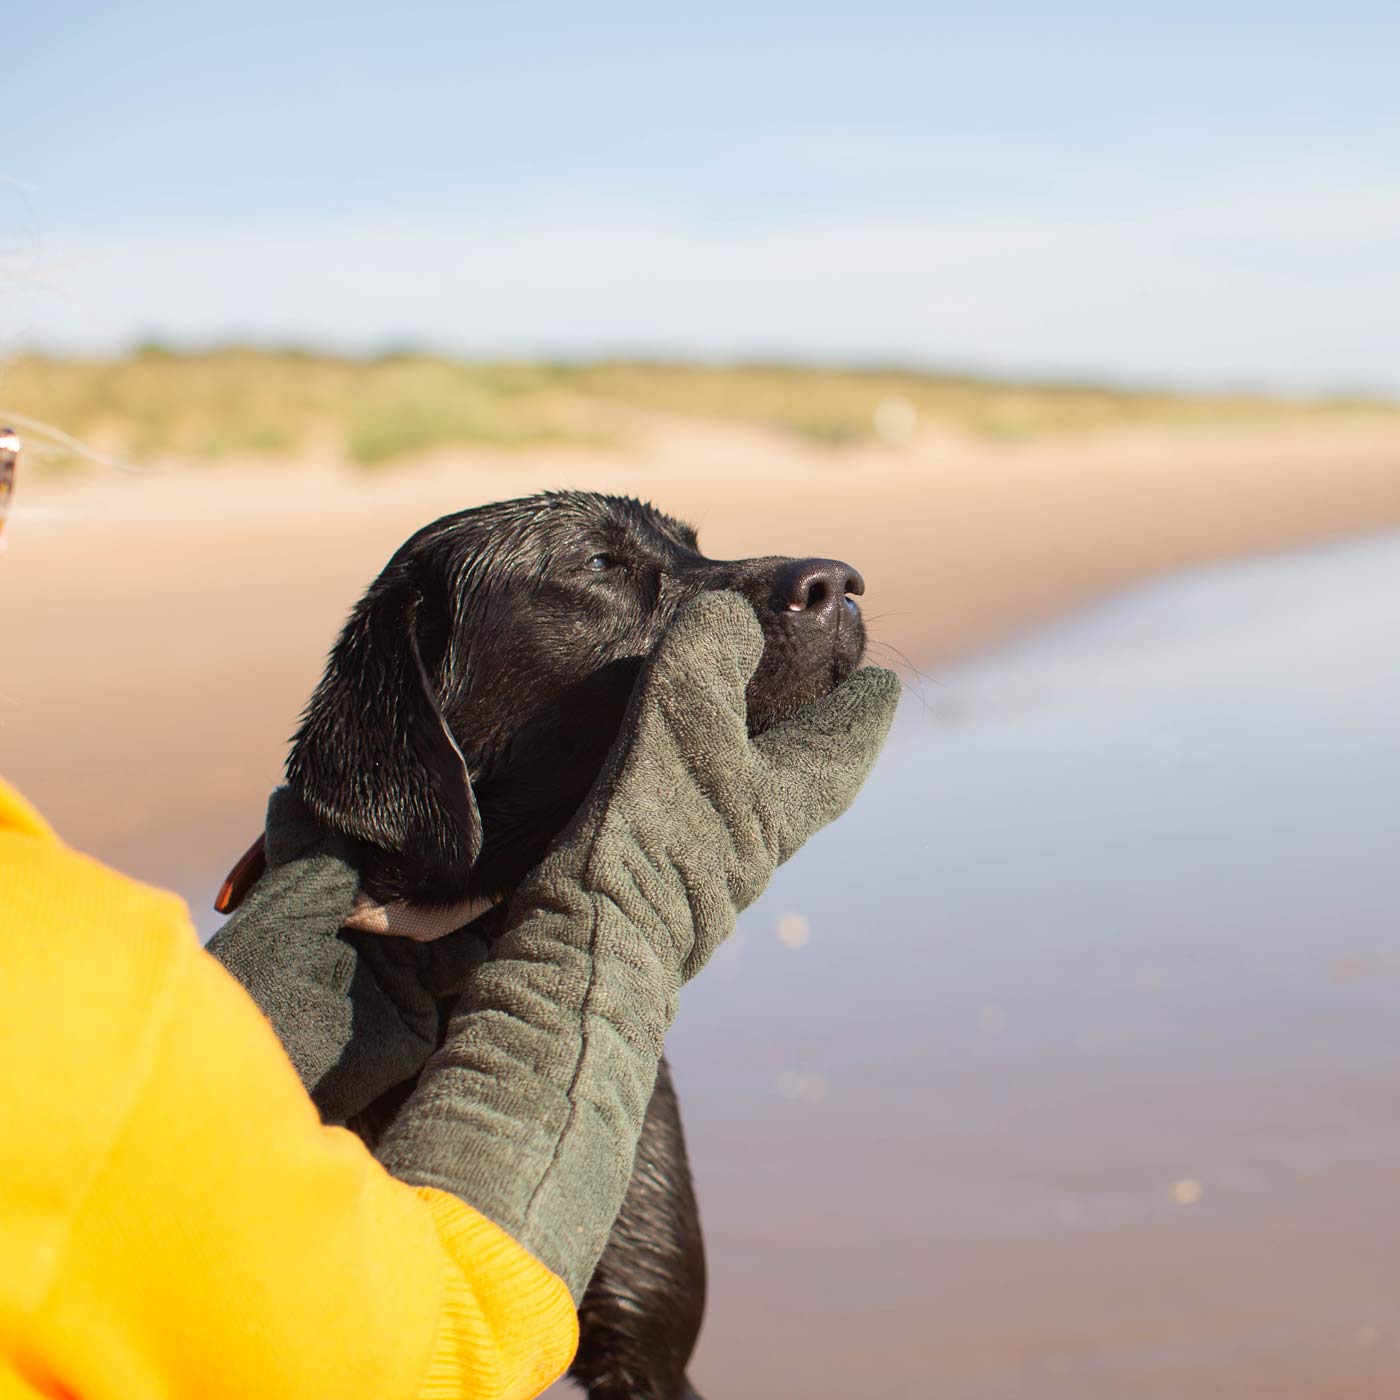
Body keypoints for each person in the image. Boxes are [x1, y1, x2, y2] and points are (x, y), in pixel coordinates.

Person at [0, 426, 899, 1400]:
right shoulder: (92, 990)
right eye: (605, 567)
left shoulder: (94, 964)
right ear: (413, 695)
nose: (815, 581)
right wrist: (633, 914)